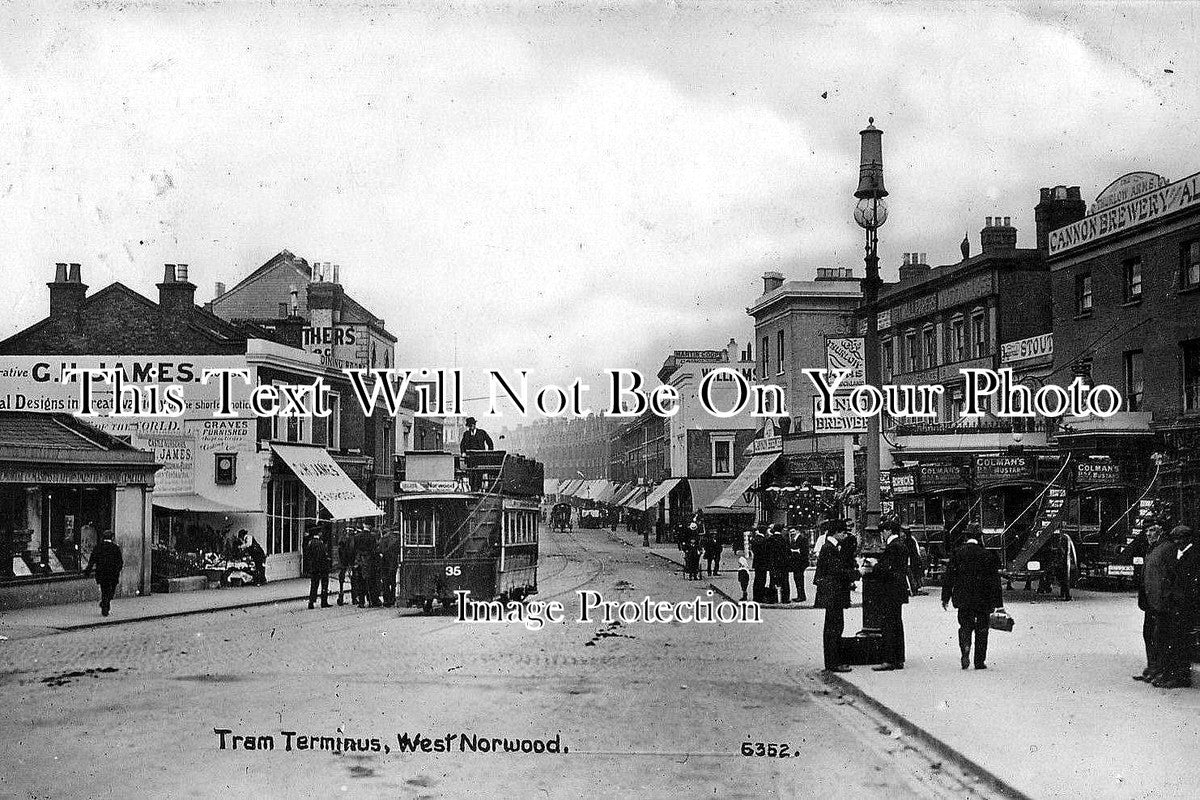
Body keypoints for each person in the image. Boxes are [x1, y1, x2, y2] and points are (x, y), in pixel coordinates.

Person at [941, 531, 1003, 669]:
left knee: (964, 626)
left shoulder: (958, 553)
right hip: (983, 599)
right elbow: (995, 581)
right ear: (980, 538)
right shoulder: (988, 555)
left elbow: (949, 576)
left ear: (966, 538)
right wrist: (999, 604)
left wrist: (945, 598)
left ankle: (965, 648)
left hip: (963, 598)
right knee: (982, 629)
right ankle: (979, 661)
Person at [1152, 525, 1199, 689]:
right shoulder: (1181, 554)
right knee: (1174, 640)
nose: (1177, 542)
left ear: (1188, 538)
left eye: (1180, 538)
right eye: (1175, 539)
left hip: (1185, 606)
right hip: (1176, 605)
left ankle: (1181, 677)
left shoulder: (1192, 556)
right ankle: (1172, 675)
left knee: (1181, 642)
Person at [814, 522, 855, 672]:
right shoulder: (829, 549)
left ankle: (833, 661)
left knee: (834, 626)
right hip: (833, 594)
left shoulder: (830, 547)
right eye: (843, 532)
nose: (845, 535)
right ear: (836, 532)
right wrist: (858, 574)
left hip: (832, 594)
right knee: (834, 628)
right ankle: (834, 663)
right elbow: (837, 571)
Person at [868, 525, 910, 671]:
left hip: (890, 591)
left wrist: (875, 565)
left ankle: (888, 660)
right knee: (897, 623)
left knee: (888, 625)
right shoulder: (901, 545)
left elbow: (887, 569)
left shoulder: (893, 547)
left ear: (888, 531)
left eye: (882, 531)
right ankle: (899, 658)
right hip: (898, 591)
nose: (882, 535)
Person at [1135, 524, 1171, 682]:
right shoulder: (1153, 549)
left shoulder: (1163, 549)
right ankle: (1152, 668)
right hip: (1150, 601)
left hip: (1159, 602)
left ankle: (1158, 670)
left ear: (1160, 532)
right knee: (1148, 634)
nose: (1148, 534)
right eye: (1147, 531)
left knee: (1158, 636)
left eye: (1152, 530)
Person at [83, 530, 123, 617]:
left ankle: (104, 603)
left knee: (105, 591)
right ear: (112, 538)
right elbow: (120, 562)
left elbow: (92, 560)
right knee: (111, 592)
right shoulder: (115, 548)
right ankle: (105, 607)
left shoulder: (98, 547)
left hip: (101, 573)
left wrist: (88, 571)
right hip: (112, 574)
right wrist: (117, 570)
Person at [353, 526, 381, 608]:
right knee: (371, 582)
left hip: (360, 562)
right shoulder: (372, 537)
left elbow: (354, 549)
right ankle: (372, 601)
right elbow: (375, 550)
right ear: (369, 526)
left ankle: (361, 602)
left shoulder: (357, 537)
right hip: (370, 562)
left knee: (360, 582)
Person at [304, 529, 331, 609]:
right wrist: (327, 559)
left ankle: (311, 602)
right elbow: (323, 555)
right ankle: (324, 602)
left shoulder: (310, 543)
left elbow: (308, 555)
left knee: (314, 585)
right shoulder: (320, 543)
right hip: (322, 567)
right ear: (319, 533)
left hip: (314, 567)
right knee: (324, 584)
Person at [376, 527, 401, 607]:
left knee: (385, 581)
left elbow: (380, 550)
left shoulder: (383, 538)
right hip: (393, 562)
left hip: (384, 562)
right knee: (393, 581)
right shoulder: (399, 538)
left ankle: (386, 599)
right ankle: (392, 598)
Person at [788, 528, 810, 603]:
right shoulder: (792, 539)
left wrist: (795, 551)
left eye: (793, 531)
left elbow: (804, 551)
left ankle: (801, 596)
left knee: (799, 579)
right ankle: (800, 595)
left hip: (800, 563)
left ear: (797, 531)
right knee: (797, 579)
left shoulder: (802, 539)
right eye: (790, 532)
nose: (792, 533)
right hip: (795, 563)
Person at [336, 529, 355, 606]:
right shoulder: (352, 540)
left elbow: (340, 551)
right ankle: (354, 598)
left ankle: (341, 595)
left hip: (343, 562)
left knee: (342, 578)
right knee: (353, 579)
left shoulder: (342, 540)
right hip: (349, 561)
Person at [750, 529, 769, 602]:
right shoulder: (763, 540)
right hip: (763, 563)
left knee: (757, 579)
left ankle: (756, 596)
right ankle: (760, 597)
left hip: (757, 562)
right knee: (762, 580)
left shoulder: (756, 539)